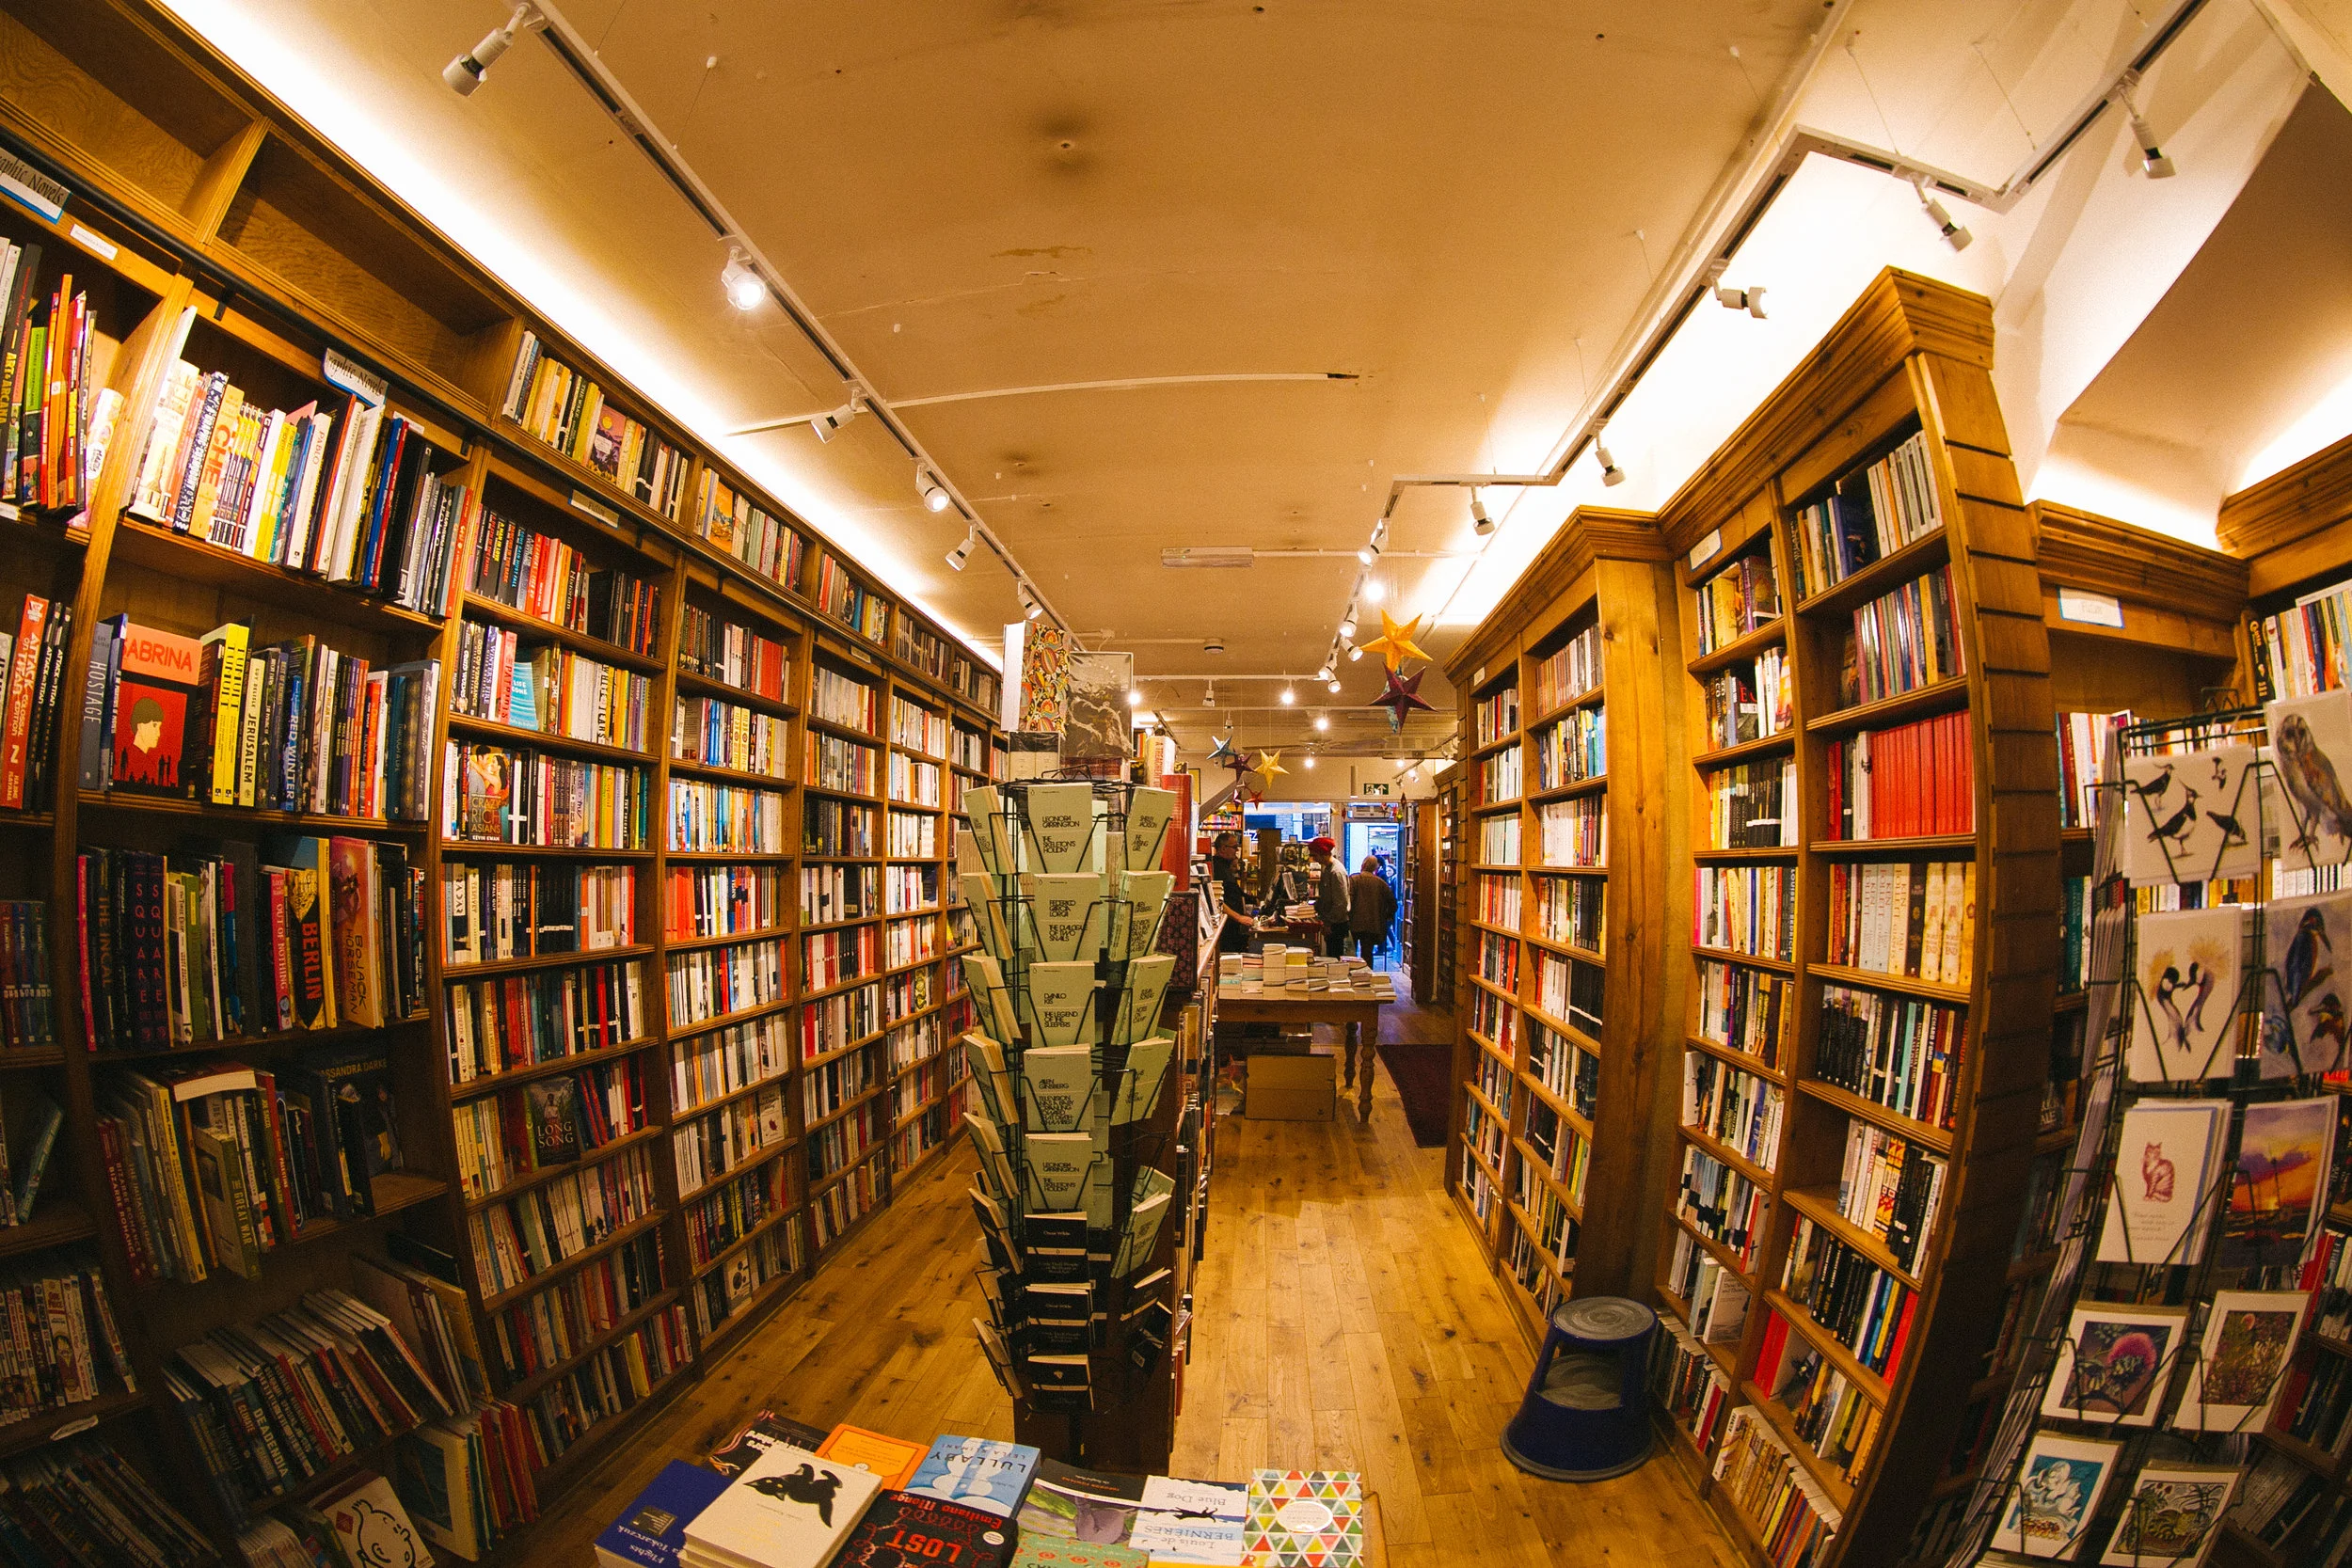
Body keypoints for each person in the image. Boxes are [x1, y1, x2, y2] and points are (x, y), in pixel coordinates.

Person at [1348, 854, 1396, 967]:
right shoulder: (1380, 883)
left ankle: (1353, 974)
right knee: (1367, 954)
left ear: (1363, 865)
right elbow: (1392, 903)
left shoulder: (1354, 879)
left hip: (1354, 922)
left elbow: (1349, 900)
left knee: (1351, 954)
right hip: (1372, 924)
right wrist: (1385, 917)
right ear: (1375, 867)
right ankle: (1367, 974)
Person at [1210, 831, 1255, 953]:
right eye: (1234, 847)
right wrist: (1239, 917)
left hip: (1233, 924)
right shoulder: (1216, 868)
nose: (1237, 850)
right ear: (1223, 848)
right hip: (1226, 927)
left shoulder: (1225, 867)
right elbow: (1216, 899)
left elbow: (1235, 892)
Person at [1308, 835, 1350, 957]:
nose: (1314, 859)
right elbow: (1325, 897)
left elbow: (1340, 903)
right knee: (1331, 956)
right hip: (1332, 922)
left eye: (1315, 855)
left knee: (1335, 958)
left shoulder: (1336, 872)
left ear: (1324, 854)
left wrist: (1329, 924)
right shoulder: (1327, 869)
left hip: (1336, 924)